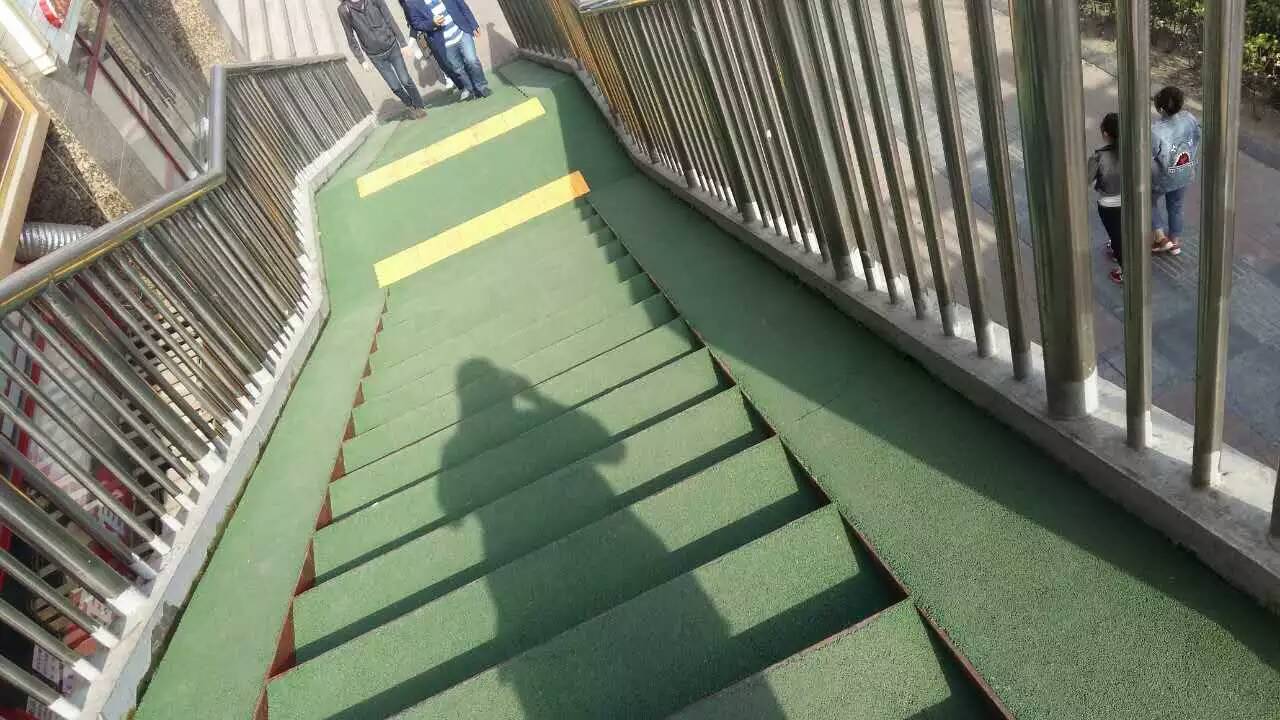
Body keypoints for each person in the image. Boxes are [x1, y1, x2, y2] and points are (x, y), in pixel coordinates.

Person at [338, 0, 427, 118]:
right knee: (395, 87)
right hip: (375, 56)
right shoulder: (344, 10)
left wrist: (403, 43)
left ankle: (419, 105)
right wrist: (361, 60)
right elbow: (350, 37)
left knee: (405, 80)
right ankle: (410, 105)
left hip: (392, 46)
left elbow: (389, 19)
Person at [400, 0, 491, 101]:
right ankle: (471, 89)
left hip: (461, 32)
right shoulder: (413, 3)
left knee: (472, 60)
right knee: (458, 69)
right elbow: (417, 24)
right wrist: (432, 23)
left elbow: (461, 4)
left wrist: (473, 24)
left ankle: (482, 87)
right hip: (444, 43)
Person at [1150, 85, 1200, 256]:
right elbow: (1196, 137)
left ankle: (1160, 238)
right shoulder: (1190, 119)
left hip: (1163, 177)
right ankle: (1175, 242)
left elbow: (1149, 155)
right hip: (1185, 172)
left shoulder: (1155, 130)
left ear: (1161, 109)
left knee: (1147, 201)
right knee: (1176, 206)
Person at [1089, 113, 1125, 284]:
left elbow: (1086, 179)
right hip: (1130, 199)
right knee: (1123, 228)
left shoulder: (1099, 157)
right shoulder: (1134, 150)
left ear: (1105, 134)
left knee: (1116, 235)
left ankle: (1124, 270)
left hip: (1108, 203)